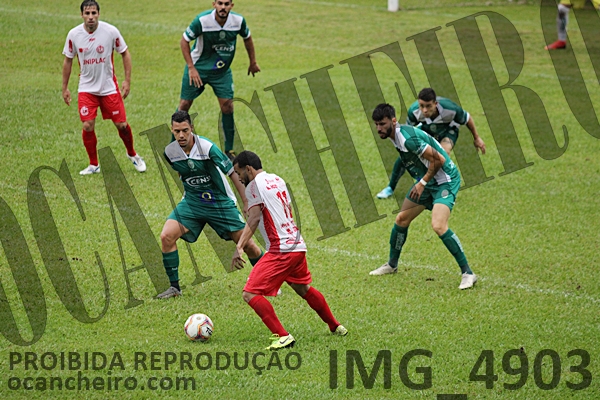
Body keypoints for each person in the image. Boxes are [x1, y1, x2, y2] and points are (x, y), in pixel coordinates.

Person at [231, 151, 348, 350]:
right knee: (303, 289)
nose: (239, 178)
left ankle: (283, 337)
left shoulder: (253, 186)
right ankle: (335, 326)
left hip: (281, 249)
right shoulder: (277, 180)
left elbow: (255, 218)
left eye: (239, 172)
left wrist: (240, 246)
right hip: (297, 245)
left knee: (249, 293)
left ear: (248, 169)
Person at [369, 104, 477, 290]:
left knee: (438, 225)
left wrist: (422, 182)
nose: (379, 128)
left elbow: (439, 159)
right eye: (376, 124)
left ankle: (468, 273)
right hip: (428, 181)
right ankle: (392, 265)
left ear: (393, 121)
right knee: (401, 219)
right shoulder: (395, 135)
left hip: (445, 181)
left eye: (382, 124)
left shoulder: (407, 139)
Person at [156, 111, 263, 299]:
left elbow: (232, 173)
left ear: (192, 128)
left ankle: (267, 280)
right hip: (192, 202)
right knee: (166, 236)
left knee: (248, 245)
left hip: (219, 203)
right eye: (177, 131)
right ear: (172, 130)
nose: (181, 135)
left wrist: (246, 201)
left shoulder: (207, 147)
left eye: (185, 130)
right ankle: (174, 288)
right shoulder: (170, 152)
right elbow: (182, 171)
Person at [62, 0, 146, 176]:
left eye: (94, 13)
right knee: (87, 125)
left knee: (122, 125)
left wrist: (127, 81)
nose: (91, 17)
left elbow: (125, 53)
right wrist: (65, 88)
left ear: (98, 14)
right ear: (82, 15)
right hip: (86, 88)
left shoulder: (110, 31)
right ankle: (94, 164)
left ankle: (132, 154)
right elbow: (68, 60)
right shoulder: (74, 34)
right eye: (87, 13)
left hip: (109, 88)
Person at [178, 0, 260, 160]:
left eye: (227, 4)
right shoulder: (202, 21)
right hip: (198, 69)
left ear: (232, 5)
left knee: (228, 106)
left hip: (221, 72)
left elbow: (247, 38)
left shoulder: (238, 21)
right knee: (184, 106)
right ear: (214, 4)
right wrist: (191, 67)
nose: (223, 7)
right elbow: (184, 40)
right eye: (220, 3)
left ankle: (229, 151)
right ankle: (174, 147)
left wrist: (253, 62)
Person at [376, 88, 485, 199]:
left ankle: (443, 186)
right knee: (404, 157)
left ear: (435, 104)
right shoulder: (414, 111)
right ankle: (390, 188)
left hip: (448, 131)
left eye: (428, 106)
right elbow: (406, 132)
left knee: (443, 152)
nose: (424, 110)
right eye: (421, 106)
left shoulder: (450, 108)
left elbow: (467, 118)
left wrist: (476, 138)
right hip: (426, 130)